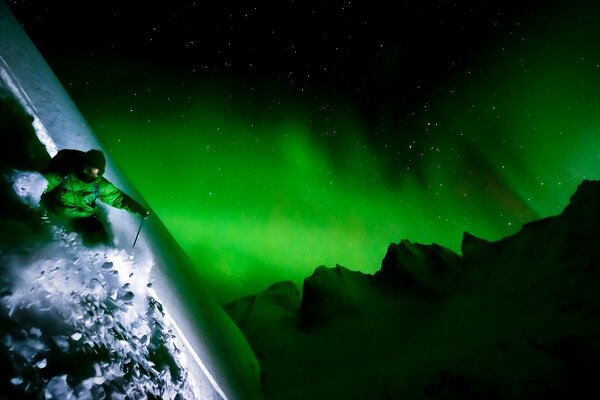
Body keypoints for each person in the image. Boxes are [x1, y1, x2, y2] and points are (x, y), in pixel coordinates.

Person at [41, 149, 150, 246]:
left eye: (95, 171)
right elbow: (43, 183)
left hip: (83, 218)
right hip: (58, 214)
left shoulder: (100, 185)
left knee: (97, 232)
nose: (90, 173)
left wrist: (138, 209)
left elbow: (118, 198)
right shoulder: (64, 174)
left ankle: (104, 258)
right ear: (82, 164)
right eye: (88, 169)